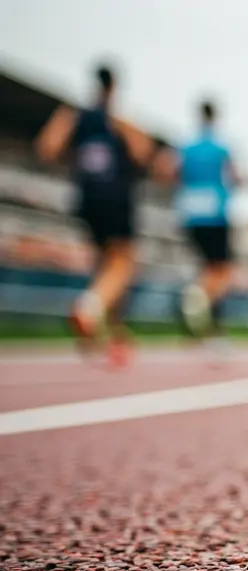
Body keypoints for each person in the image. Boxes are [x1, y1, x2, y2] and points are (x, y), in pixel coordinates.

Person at [34, 63, 157, 367]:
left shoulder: (75, 117)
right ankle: (90, 308)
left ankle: (112, 336)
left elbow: (46, 148)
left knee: (106, 268)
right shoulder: (118, 120)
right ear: (114, 86)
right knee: (122, 266)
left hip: (86, 199)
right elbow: (144, 153)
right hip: (115, 197)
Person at [155, 98, 242, 352]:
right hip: (215, 212)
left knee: (207, 269)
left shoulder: (185, 146)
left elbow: (165, 170)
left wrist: (184, 183)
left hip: (190, 213)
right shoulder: (220, 147)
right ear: (215, 117)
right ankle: (204, 307)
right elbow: (234, 176)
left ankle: (199, 328)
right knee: (222, 272)